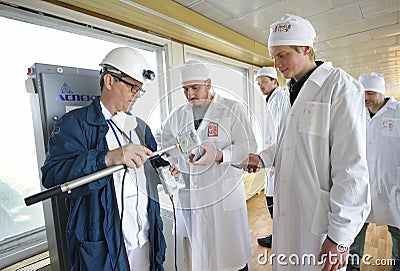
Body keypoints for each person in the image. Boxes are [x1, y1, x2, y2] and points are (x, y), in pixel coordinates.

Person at [247, 14, 371, 271]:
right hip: (290, 211)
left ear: (306, 49)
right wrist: (262, 158)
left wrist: (339, 237)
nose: (276, 64)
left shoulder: (339, 86)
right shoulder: (288, 91)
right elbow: (286, 143)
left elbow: (351, 166)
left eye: (283, 55)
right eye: (273, 55)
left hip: (319, 221)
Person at [41, 47, 166, 271]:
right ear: (109, 81)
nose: (136, 95)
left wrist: (166, 168)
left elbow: (153, 165)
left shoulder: (140, 128)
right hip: (106, 247)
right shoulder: (74, 125)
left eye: (140, 90)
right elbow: (52, 175)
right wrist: (108, 157)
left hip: (146, 239)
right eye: (133, 88)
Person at [158, 60, 257, 271]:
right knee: (204, 258)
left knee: (232, 259)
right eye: (185, 89)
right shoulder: (178, 115)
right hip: (193, 197)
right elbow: (163, 143)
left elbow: (248, 148)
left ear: (208, 83)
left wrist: (219, 155)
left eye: (195, 88)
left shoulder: (231, 109)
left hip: (224, 196)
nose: (190, 94)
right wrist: (174, 163)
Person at [346, 72, 400, 271]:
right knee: (356, 227)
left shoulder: (397, 112)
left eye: (370, 93)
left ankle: (397, 262)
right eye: (362, 94)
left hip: (392, 182)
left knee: (397, 228)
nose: (366, 98)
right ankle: (352, 264)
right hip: (362, 183)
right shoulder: (356, 113)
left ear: (381, 92)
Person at [254, 67, 290, 248]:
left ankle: (280, 238)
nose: (261, 86)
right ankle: (278, 235)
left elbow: (280, 133)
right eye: (258, 83)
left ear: (275, 81)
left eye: (264, 82)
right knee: (272, 198)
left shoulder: (279, 100)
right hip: (272, 158)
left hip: (276, 160)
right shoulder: (272, 100)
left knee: (274, 199)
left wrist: (274, 163)